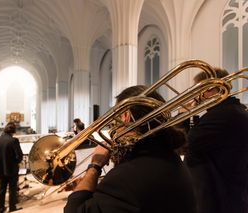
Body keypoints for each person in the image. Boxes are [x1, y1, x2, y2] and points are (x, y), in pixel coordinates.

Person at [64, 85, 196, 213]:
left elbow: (73, 210)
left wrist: (95, 166)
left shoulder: (124, 179)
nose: (113, 123)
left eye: (115, 114)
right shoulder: (170, 158)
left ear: (125, 116)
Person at [185, 68, 248, 213]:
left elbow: (185, 144)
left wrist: (183, 113)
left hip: (220, 199)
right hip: (226, 196)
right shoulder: (230, 111)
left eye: (201, 90)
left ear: (217, 89)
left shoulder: (223, 114)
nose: (197, 96)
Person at [0, 122, 23, 213]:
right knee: (12, 188)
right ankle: (12, 207)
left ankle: (0, 208)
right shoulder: (14, 140)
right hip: (11, 168)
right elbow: (19, 156)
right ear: (13, 131)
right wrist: (16, 162)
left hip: (0, 168)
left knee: (1, 189)